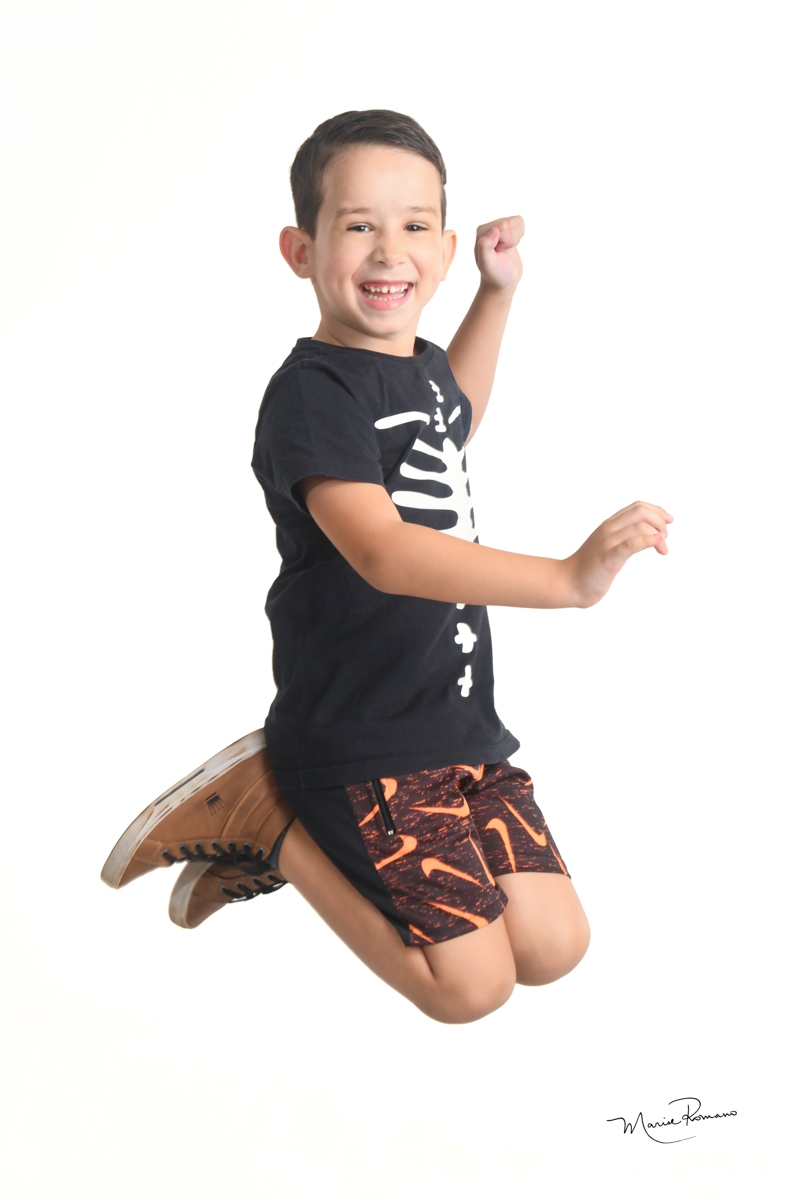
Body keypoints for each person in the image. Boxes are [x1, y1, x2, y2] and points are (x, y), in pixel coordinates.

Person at [102, 110, 672, 1024]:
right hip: (365, 735)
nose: (388, 250)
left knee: (554, 946)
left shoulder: (419, 369)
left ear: (443, 251)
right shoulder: (312, 394)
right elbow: (382, 551)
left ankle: (287, 827)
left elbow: (454, 415)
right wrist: (566, 581)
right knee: (470, 988)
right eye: (359, 224)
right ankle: (269, 825)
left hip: (459, 726)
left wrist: (496, 295)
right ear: (300, 250)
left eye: (414, 226)